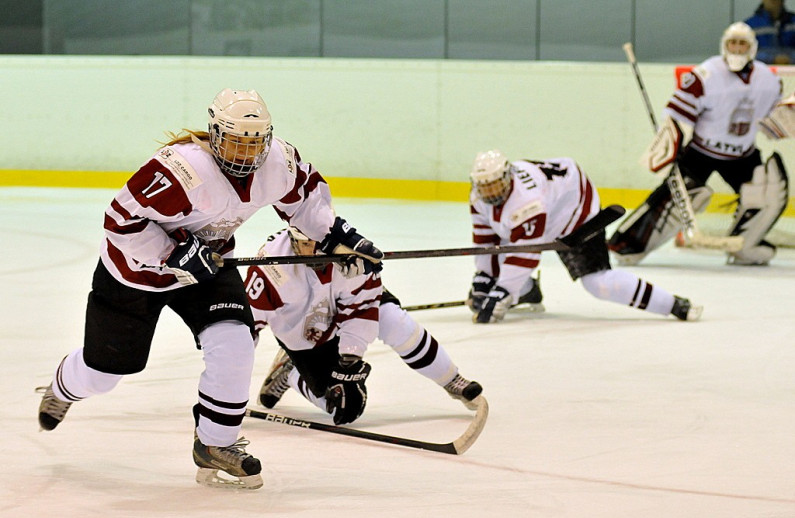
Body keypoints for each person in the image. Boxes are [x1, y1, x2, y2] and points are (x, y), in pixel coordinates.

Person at [36, 88, 383, 490]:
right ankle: (64, 386)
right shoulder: (181, 169)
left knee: (235, 341)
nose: (245, 154)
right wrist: (172, 253)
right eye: (236, 141)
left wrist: (339, 241)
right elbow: (120, 222)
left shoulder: (278, 162)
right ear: (216, 133)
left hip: (208, 265)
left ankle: (216, 443)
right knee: (106, 371)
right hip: (134, 274)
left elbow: (306, 204)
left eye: (254, 143)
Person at [245, 228, 484, 425]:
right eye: (307, 244)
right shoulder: (270, 271)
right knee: (342, 408)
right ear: (293, 241)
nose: (316, 250)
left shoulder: (349, 252)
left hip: (350, 306)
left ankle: (451, 379)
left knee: (395, 322)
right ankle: (291, 373)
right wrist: (222, 391)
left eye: (321, 241)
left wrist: (350, 360)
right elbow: (245, 329)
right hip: (304, 332)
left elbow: (361, 308)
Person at [609, 22, 788, 266]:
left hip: (743, 155)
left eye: (742, 44)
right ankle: (627, 244)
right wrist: (669, 146)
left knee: (765, 193)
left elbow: (774, 122)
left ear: (752, 48)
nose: (736, 48)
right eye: (732, 43)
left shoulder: (768, 79)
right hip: (701, 152)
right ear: (724, 46)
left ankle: (744, 245)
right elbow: (676, 117)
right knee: (674, 197)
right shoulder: (705, 75)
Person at [466, 150, 703, 324]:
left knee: (598, 283)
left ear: (508, 177)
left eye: (495, 186)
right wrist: (484, 277)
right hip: (549, 202)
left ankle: (673, 304)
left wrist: (502, 292)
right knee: (501, 253)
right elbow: (485, 241)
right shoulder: (479, 196)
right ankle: (527, 291)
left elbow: (525, 254)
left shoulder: (526, 202)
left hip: (575, 207)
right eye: (485, 188)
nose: (490, 193)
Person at [745, 0, 795, 65]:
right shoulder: (749, 26)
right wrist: (772, 59)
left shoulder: (793, 22)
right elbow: (745, 53)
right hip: (761, 72)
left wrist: (790, 58)